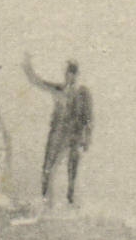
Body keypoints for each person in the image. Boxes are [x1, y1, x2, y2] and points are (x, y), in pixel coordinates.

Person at [23, 53, 93, 207]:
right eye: (68, 72)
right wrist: (27, 66)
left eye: (73, 72)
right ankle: (45, 200)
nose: (70, 76)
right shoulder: (58, 89)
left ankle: (70, 200)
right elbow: (37, 82)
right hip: (57, 133)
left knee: (72, 170)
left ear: (76, 75)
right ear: (65, 74)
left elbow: (88, 117)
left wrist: (87, 138)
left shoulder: (82, 93)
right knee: (48, 167)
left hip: (73, 135)